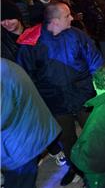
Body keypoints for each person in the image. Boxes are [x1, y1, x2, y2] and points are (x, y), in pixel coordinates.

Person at [16, 1, 104, 185]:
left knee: (93, 134)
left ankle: (97, 170)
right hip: (56, 103)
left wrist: (102, 89)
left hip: (83, 97)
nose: (72, 18)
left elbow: (95, 61)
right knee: (68, 140)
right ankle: (76, 168)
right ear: (55, 21)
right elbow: (25, 76)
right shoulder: (31, 44)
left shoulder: (77, 35)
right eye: (67, 16)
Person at [1, 58, 62, 188]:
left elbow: (2, 116)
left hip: (21, 146)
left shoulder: (2, 74)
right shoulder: (4, 65)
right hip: (24, 137)